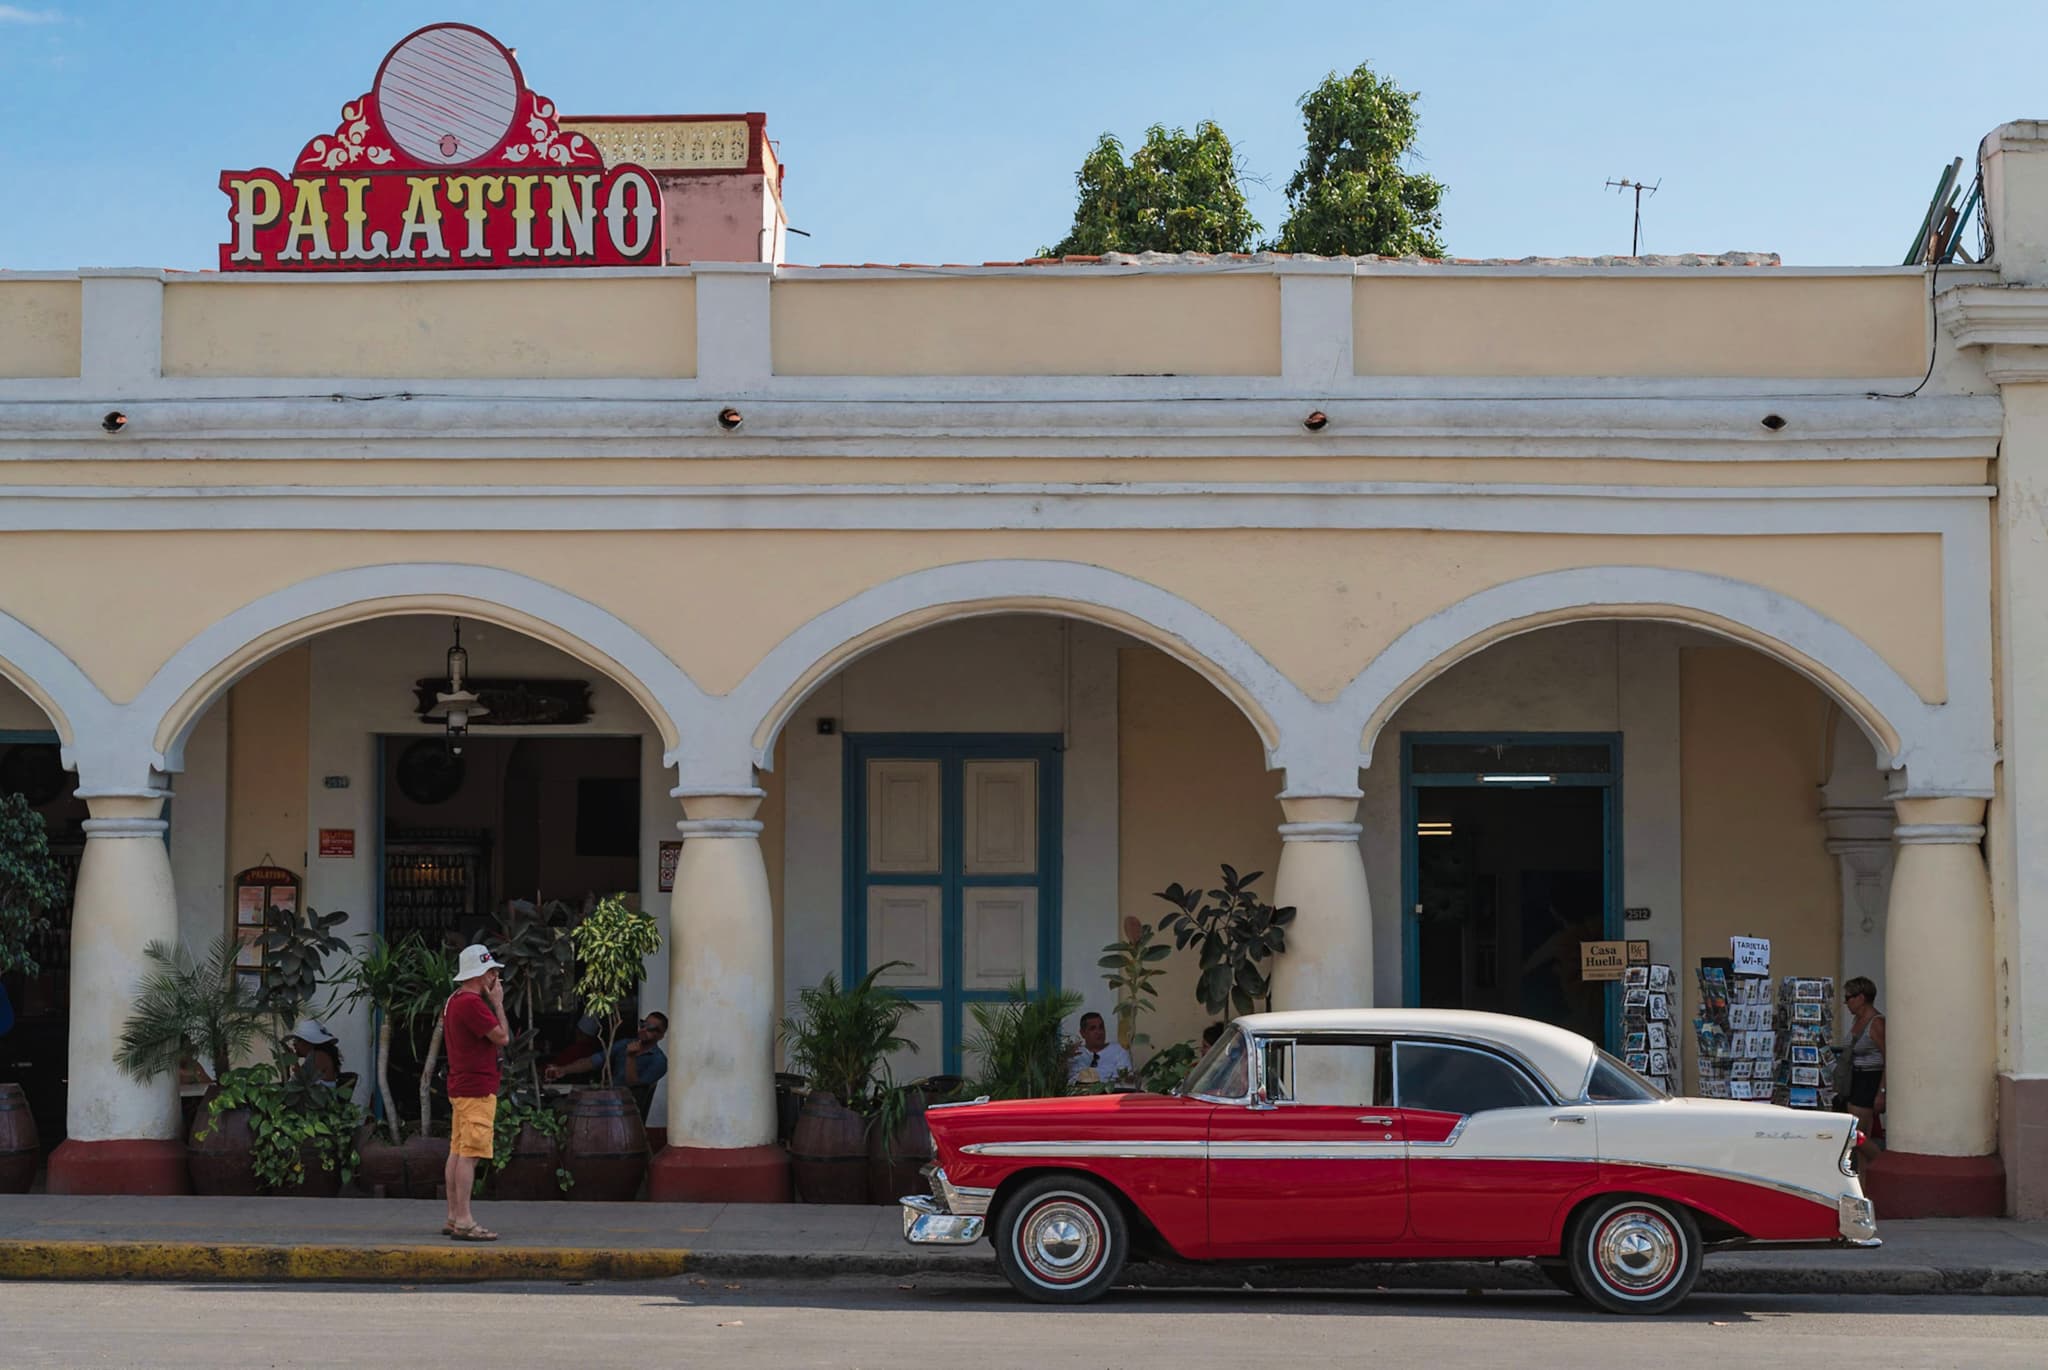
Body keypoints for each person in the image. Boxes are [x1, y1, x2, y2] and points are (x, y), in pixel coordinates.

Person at [442, 944, 510, 1241]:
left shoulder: (454, 1000)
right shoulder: (472, 1004)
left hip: (461, 1084)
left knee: (458, 1151)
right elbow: (503, 1037)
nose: (496, 976)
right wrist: (498, 1003)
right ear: (480, 975)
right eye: (492, 971)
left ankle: (454, 1215)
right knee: (470, 1154)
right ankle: (465, 1219)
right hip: (477, 1088)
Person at [545, 1012, 668, 1088]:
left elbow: (635, 1088)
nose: (644, 1029)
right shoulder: (626, 1043)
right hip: (610, 1096)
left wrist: (631, 1057)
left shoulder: (659, 1061)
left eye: (651, 1028)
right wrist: (563, 1070)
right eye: (643, 1024)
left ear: (661, 1035)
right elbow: (594, 1061)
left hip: (629, 1107)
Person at [1843, 976, 1887, 1136]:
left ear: (1861, 998)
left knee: (1859, 1136)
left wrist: (1882, 1092)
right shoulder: (1857, 1020)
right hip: (1855, 1078)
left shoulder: (1876, 1023)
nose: (1846, 1003)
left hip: (1870, 1079)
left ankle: (1878, 1159)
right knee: (1856, 1136)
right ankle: (1865, 1162)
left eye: (1848, 998)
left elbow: (1888, 1059)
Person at [1066, 1011, 1133, 1085]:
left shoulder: (1118, 1050)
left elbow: (1128, 1079)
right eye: (1092, 1028)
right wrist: (1065, 1058)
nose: (1099, 1032)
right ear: (1083, 1033)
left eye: (1101, 1027)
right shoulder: (1075, 1053)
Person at [286, 1018, 342, 1087]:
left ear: (308, 1042)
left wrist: (294, 1061)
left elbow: (303, 1082)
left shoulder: (319, 1055)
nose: (294, 1044)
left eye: (296, 1040)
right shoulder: (314, 1055)